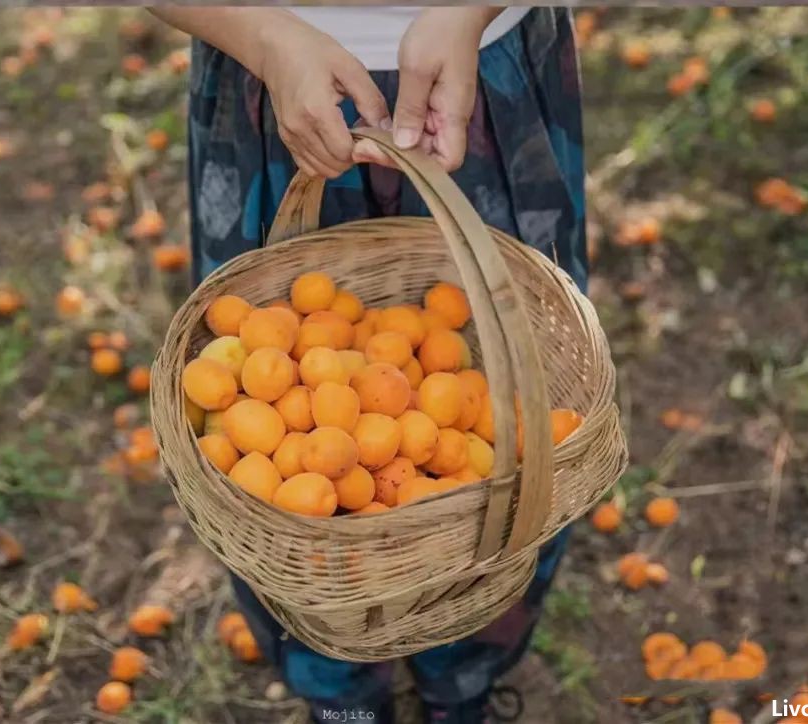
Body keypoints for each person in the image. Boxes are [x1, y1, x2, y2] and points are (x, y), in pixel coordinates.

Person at [150, 7, 587, 723]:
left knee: (519, 425)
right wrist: (266, 36)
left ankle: (464, 674)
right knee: (282, 516)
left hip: (489, 63)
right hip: (262, 65)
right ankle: (342, 694)